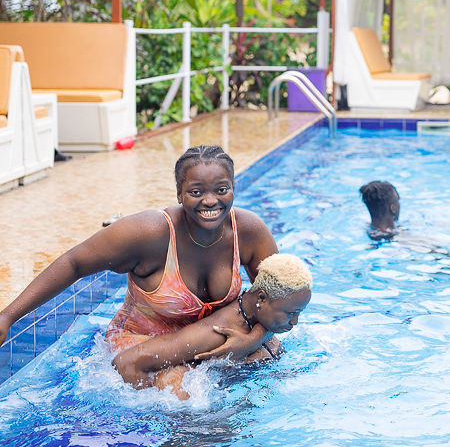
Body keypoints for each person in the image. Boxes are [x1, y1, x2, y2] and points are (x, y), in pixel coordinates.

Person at [0, 145, 279, 357]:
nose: (210, 201)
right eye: (196, 192)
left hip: (206, 340)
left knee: (268, 353)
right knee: (178, 389)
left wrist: (253, 338)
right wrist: (7, 317)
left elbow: (282, 299)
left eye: (221, 190)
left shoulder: (248, 231)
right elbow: (74, 263)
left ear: (233, 189)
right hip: (143, 345)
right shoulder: (149, 233)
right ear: (179, 194)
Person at [112, 253, 312, 399]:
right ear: (261, 298)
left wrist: (253, 341)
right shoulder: (216, 333)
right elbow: (126, 362)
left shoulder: (259, 318)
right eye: (291, 313)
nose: (295, 322)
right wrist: (150, 408)